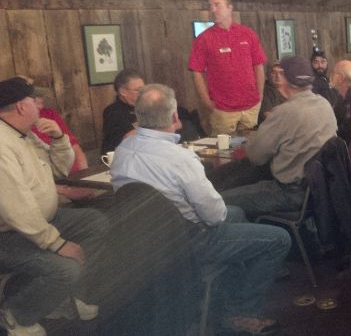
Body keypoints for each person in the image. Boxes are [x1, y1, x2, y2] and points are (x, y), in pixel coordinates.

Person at [110, 83, 290, 335]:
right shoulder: (180, 159)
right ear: (175, 117)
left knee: (236, 212)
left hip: (142, 244)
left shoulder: (122, 152)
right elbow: (214, 216)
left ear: (138, 117)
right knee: (279, 239)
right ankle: (240, 314)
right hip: (186, 244)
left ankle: (220, 292)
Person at [0, 77, 106, 336]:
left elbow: (57, 169)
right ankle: (17, 313)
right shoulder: (2, 143)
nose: (40, 106)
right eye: (34, 101)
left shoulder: (22, 134)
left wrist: (59, 139)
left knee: (97, 222)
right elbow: (16, 209)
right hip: (9, 234)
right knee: (67, 268)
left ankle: (57, 299)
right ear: (22, 107)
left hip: (39, 222)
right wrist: (57, 244)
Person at [221, 56, 338, 219]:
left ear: (285, 79)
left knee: (220, 200)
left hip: (290, 193)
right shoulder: (324, 105)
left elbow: (256, 156)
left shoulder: (285, 112)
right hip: (320, 192)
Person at [188, 0, 266, 136]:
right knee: (224, 151)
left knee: (250, 147)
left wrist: (260, 94)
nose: (213, 9)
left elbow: (258, 65)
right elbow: (196, 71)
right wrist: (206, 100)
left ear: (230, 7)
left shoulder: (247, 34)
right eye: (210, 6)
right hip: (222, 108)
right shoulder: (204, 39)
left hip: (250, 105)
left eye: (217, 5)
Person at [101, 68, 144, 154]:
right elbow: (130, 137)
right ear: (123, 92)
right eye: (138, 90)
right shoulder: (112, 112)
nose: (143, 93)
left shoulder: (144, 107)